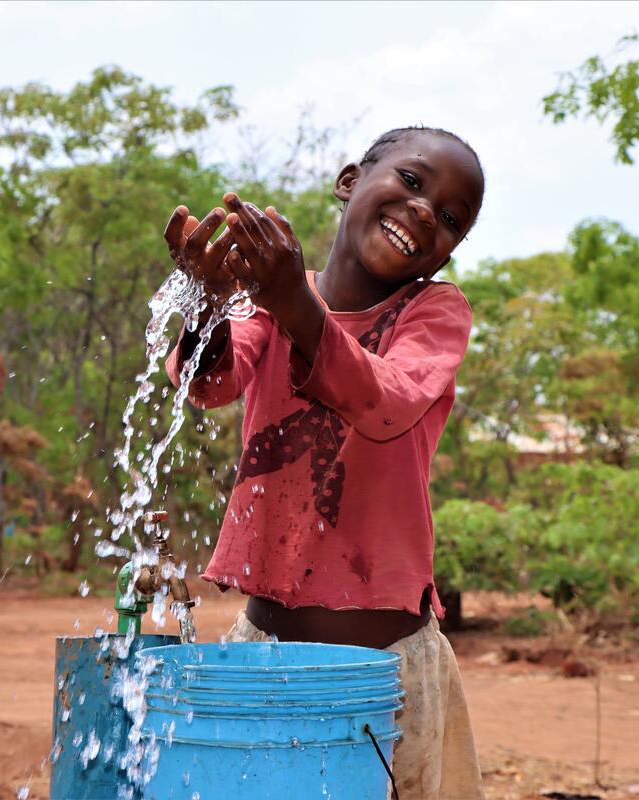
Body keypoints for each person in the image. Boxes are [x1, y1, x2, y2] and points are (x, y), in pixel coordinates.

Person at [163, 126, 486, 799]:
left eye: (452, 218)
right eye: (414, 181)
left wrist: (295, 304)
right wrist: (206, 305)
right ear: (349, 182)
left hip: (391, 675)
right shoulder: (267, 306)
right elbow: (207, 383)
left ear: (449, 250)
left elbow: (386, 401)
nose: (427, 210)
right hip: (262, 654)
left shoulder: (433, 313)